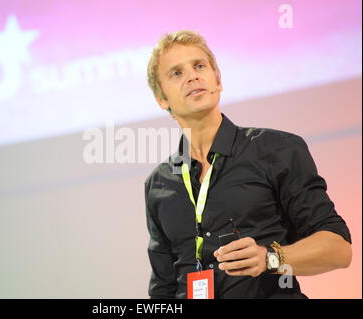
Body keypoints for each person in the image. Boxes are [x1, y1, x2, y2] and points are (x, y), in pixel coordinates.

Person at [144, 30, 352, 299]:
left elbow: (338, 248)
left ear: (217, 80)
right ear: (162, 99)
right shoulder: (158, 183)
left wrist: (270, 258)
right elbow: (163, 288)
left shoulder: (276, 149)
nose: (192, 76)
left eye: (199, 66)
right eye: (176, 73)